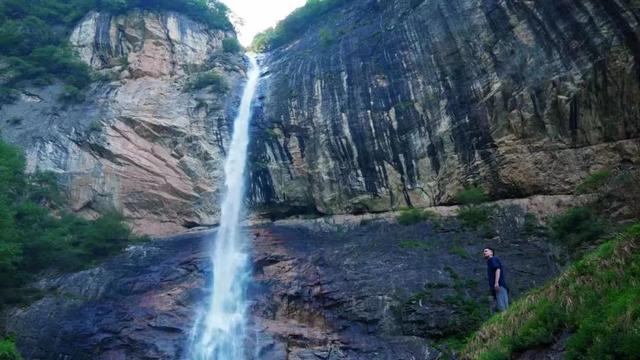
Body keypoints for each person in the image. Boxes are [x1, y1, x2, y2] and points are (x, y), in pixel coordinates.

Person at [483, 247, 509, 312]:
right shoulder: (489, 262)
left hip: (499, 286)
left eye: (486, 251)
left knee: (503, 308)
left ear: (491, 252)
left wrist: (496, 283)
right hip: (495, 289)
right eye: (483, 252)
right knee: (496, 309)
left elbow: (497, 269)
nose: (484, 252)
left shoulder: (493, 259)